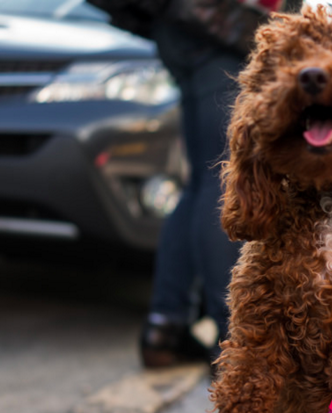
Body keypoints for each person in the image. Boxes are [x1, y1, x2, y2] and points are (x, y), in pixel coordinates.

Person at [89, 0, 297, 368]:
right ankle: (233, 342)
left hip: (179, 25)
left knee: (202, 182)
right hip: (224, 28)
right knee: (225, 182)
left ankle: (165, 326)